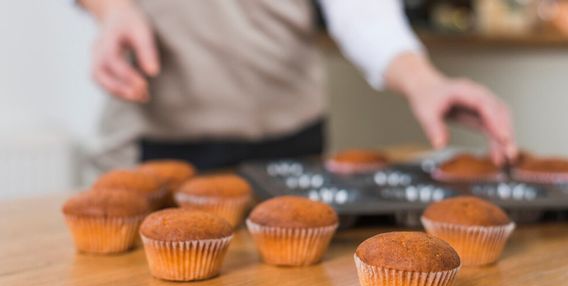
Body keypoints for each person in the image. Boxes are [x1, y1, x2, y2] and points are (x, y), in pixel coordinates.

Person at [79, 0, 517, 170]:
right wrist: (114, 10)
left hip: (288, 141)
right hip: (149, 138)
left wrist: (424, 82)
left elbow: (360, 11)